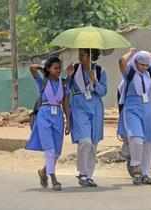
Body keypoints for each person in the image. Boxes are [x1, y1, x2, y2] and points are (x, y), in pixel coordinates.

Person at [117, 48, 151, 185]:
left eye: (146, 65)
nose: (144, 67)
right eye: (142, 64)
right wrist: (131, 52)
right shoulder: (130, 73)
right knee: (136, 138)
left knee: (148, 142)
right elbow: (121, 61)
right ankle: (135, 166)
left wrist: (149, 54)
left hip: (148, 109)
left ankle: (145, 174)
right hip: (132, 108)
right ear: (136, 62)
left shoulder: (148, 72)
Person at [25, 56, 70, 191]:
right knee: (49, 149)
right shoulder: (43, 82)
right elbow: (32, 69)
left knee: (56, 151)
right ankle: (53, 178)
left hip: (58, 117)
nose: (58, 71)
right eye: (55, 68)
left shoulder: (63, 84)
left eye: (59, 68)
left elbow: (66, 103)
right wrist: (42, 68)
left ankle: (44, 171)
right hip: (44, 115)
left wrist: (68, 121)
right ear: (49, 69)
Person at [65, 48, 108, 187]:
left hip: (95, 108)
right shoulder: (74, 69)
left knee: (93, 143)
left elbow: (103, 91)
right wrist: (69, 76)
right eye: (79, 55)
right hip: (79, 107)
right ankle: (82, 172)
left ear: (91, 56)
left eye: (83, 55)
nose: (80, 58)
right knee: (85, 141)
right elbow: (66, 90)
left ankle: (89, 175)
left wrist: (94, 81)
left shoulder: (100, 71)